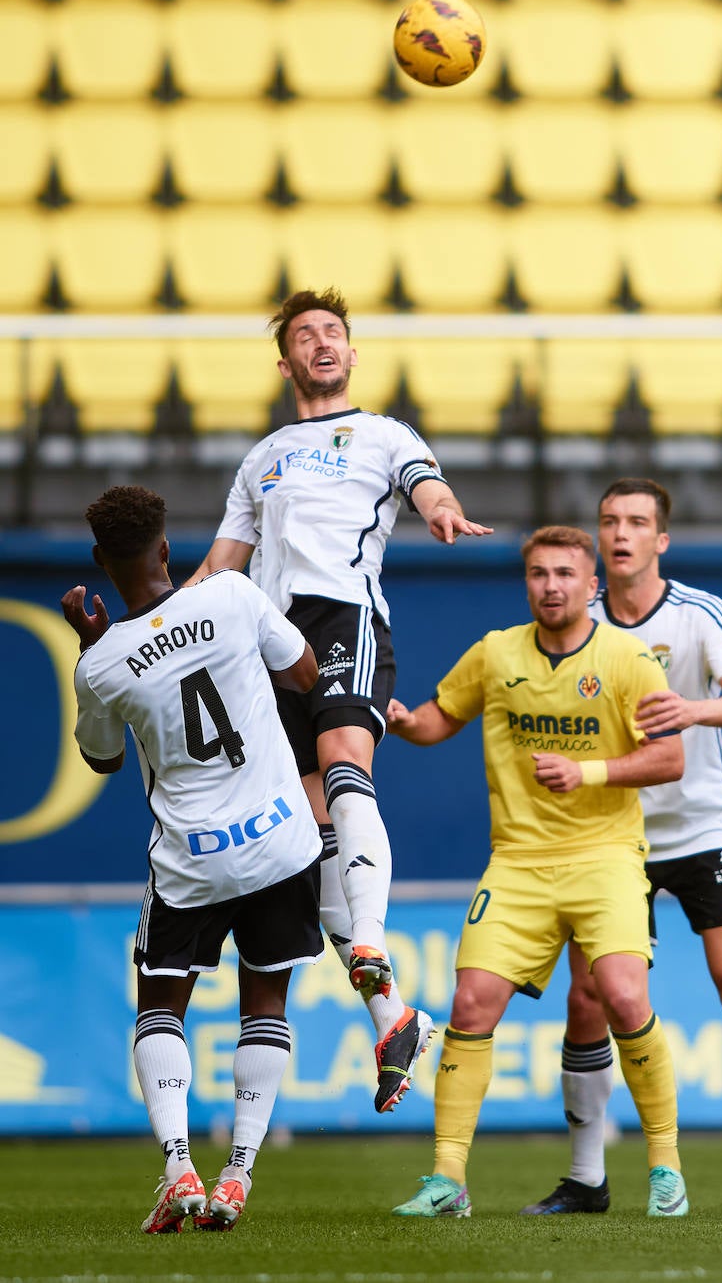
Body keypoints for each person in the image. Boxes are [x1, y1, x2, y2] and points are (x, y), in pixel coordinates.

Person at [188, 287, 492, 1115]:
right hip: (266, 643)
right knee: (308, 831)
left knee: (345, 764)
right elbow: (223, 563)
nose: (321, 343)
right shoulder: (264, 458)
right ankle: (391, 1014)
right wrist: (159, 621)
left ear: (352, 354)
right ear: (285, 361)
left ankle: (369, 940)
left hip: (344, 619)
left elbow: (426, 485)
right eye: (305, 336)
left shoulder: (385, 435)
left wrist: (444, 511)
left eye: (334, 333)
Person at [522, 479, 722, 1218]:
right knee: (588, 999)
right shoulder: (575, 623)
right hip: (611, 835)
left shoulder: (698, 613)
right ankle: (588, 1178)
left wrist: (693, 708)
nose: (621, 533)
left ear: (661, 541)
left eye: (637, 522)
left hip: (703, 825)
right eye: (610, 521)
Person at [385, 525, 689, 1219]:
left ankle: (665, 1165)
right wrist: (406, 723)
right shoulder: (497, 653)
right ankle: (448, 1180)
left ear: (593, 586)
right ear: (527, 583)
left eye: (564, 574)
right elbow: (442, 716)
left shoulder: (628, 658)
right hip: (519, 863)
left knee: (622, 996)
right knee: (469, 1006)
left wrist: (585, 771)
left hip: (606, 857)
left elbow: (669, 758)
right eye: (539, 574)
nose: (550, 586)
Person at [61, 485, 324, 1235]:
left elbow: (101, 758)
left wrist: (93, 645)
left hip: (194, 861)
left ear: (100, 563)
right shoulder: (235, 597)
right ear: (167, 549)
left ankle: (180, 1168)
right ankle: (238, 1175)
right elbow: (305, 672)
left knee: (160, 1004)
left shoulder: (102, 664)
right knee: (264, 1006)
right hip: (279, 842)